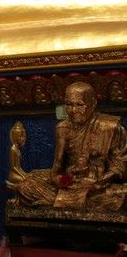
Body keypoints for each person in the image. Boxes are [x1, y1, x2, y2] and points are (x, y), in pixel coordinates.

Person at [11, 82, 126, 211]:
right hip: (71, 185)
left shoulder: (110, 127)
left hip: (99, 187)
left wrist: (98, 183)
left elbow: (120, 166)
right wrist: (65, 181)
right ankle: (72, 203)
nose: (73, 110)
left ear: (93, 104)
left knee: (121, 194)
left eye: (79, 105)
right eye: (69, 104)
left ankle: (58, 203)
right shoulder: (63, 128)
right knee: (25, 187)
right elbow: (57, 171)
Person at [6, 121, 27, 186]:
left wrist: (25, 174)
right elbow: (13, 167)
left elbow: (19, 167)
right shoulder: (13, 149)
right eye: (21, 137)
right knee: (25, 181)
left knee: (28, 178)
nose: (23, 139)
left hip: (18, 173)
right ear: (16, 137)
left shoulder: (18, 150)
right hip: (13, 175)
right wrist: (22, 176)